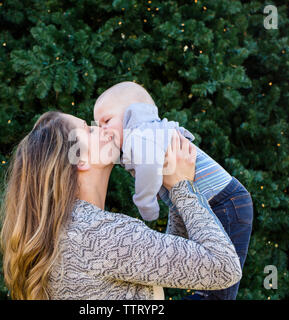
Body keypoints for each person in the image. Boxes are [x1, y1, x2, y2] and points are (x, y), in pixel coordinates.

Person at [0, 110, 242, 300]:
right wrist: (182, 188)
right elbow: (224, 268)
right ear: (78, 159)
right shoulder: (101, 235)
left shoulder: (72, 231)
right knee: (239, 201)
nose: (102, 129)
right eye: (89, 130)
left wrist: (174, 188)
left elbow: (172, 264)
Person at [94, 81, 253, 300]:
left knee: (218, 292)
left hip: (225, 202)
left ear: (132, 113)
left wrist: (145, 204)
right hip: (216, 200)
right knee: (207, 284)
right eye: (97, 124)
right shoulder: (147, 133)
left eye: (107, 121)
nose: (102, 130)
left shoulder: (140, 133)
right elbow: (175, 196)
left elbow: (150, 169)